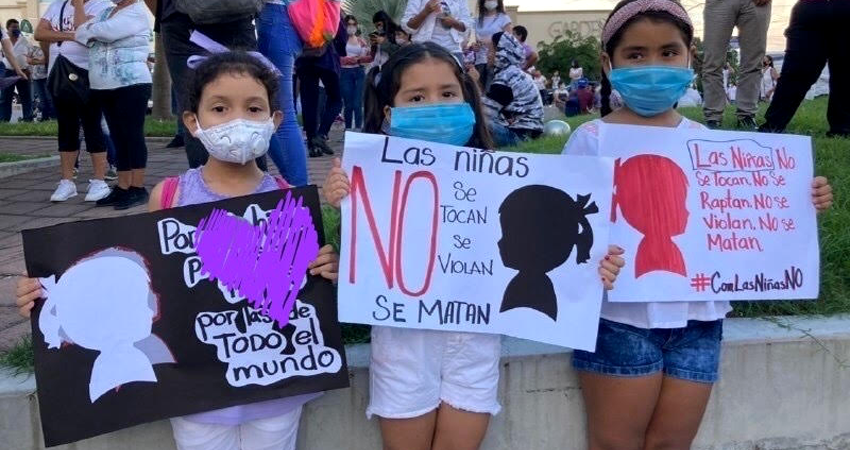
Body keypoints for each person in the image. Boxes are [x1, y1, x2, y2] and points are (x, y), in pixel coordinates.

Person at [16, 50, 341, 450]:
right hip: (193, 391)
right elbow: (133, 269)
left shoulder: (287, 200)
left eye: (253, 108)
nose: (237, 119)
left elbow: (301, 281)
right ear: (193, 121)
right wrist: (51, 292)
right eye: (220, 108)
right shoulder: (170, 196)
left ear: (274, 120)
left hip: (275, 385)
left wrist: (325, 267)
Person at [321, 41, 622, 450]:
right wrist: (345, 212)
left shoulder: (503, 181)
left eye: (447, 94)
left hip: (475, 348)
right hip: (402, 348)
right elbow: (366, 255)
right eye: (417, 96)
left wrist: (591, 268)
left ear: (468, 99)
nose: (435, 105)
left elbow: (556, 242)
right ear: (390, 113)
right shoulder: (371, 179)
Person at [561, 2, 833, 449]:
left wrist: (800, 201)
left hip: (700, 321)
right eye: (635, 54)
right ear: (608, 63)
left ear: (691, 57)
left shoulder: (713, 144)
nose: (653, 66)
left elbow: (757, 214)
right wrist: (594, 261)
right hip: (619, 320)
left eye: (669, 52)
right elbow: (569, 232)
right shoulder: (589, 141)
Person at [148, 0, 279, 176]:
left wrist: (168, 11)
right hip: (237, 16)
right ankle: (258, 193)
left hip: (181, 19)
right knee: (248, 98)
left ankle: (206, 194)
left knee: (197, 105)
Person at [73, 0, 152, 210]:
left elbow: (108, 32)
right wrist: (91, 30)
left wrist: (92, 30)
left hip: (132, 82)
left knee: (132, 135)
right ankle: (123, 186)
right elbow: (80, 34)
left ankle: (138, 187)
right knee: (117, 137)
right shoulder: (107, 12)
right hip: (104, 84)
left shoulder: (137, 12)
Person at [37, 0, 112, 203]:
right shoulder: (56, 5)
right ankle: (67, 181)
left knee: (92, 126)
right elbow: (40, 33)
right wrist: (70, 35)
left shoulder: (101, 5)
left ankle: (99, 180)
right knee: (66, 127)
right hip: (59, 74)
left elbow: (86, 33)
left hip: (88, 73)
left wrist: (78, 7)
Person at [760, 0, 849, 137]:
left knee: (845, 75)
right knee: (796, 71)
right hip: (811, 11)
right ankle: (773, 125)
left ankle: (842, 130)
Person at [256, 0, 310, 185]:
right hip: (284, 21)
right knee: (271, 113)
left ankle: (299, 190)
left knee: (280, 114)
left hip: (276, 16)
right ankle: (296, 187)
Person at [702, 0, 771, 130]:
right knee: (712, 61)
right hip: (719, 3)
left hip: (756, 3)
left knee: (754, 61)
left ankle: (746, 116)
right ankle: (712, 117)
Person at [481, 31, 544, 147]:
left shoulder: (506, 78)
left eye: (490, 50)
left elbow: (484, 112)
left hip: (519, 137)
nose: (487, 55)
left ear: (501, 53)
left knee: (475, 122)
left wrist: (472, 82)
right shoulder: (514, 73)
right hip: (529, 132)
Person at [295, 17, 346, 158]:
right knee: (336, 99)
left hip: (304, 59)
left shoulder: (300, 7)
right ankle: (321, 135)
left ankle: (312, 145)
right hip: (327, 59)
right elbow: (341, 35)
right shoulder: (329, 7)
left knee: (309, 102)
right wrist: (340, 50)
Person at [402, 0, 473, 61]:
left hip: (452, 50)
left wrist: (454, 22)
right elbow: (408, 27)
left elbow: (466, 26)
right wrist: (426, 11)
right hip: (424, 50)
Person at [340, 15, 372, 131]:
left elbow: (369, 58)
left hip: (359, 72)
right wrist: (349, 60)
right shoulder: (340, 39)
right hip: (345, 72)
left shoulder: (361, 40)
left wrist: (359, 59)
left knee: (357, 103)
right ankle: (348, 129)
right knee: (348, 104)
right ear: (344, 25)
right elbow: (335, 57)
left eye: (354, 24)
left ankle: (358, 129)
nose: (351, 27)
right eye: (349, 24)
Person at [473, 0, 511, 88]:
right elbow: (474, 38)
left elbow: (509, 40)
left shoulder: (504, 18)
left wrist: (490, 41)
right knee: (479, 89)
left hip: (495, 61)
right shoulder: (477, 20)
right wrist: (475, 46)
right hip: (480, 60)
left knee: (490, 89)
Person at [1, 19, 33, 122]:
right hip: (8, 71)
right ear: (8, 29)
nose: (16, 29)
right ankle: (4, 120)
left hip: (23, 71)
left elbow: (30, 55)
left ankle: (28, 119)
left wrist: (29, 69)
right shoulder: (3, 40)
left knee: (25, 97)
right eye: (13, 27)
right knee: (6, 97)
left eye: (17, 27)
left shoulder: (24, 40)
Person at [27, 44, 53, 121]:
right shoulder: (32, 46)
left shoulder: (49, 45)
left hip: (47, 76)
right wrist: (38, 61)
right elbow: (28, 60)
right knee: (42, 100)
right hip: (36, 77)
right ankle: (45, 118)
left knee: (50, 99)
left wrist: (36, 61)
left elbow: (46, 59)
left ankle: (54, 118)